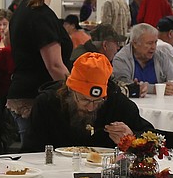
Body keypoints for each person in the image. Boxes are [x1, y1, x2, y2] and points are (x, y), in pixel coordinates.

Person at [23, 52, 154, 153]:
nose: (91, 108)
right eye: (85, 100)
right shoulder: (47, 103)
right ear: (70, 90)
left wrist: (132, 138)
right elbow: (30, 150)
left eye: (98, 101)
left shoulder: (116, 102)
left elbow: (153, 139)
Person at [7, 0, 72, 131]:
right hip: (36, 97)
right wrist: (75, 93)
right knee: (36, 154)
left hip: (22, 91)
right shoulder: (42, 16)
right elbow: (55, 66)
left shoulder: (20, 10)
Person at [112, 23, 173, 95]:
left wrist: (172, 87)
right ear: (135, 44)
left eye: (155, 42)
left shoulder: (161, 56)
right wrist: (155, 89)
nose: (153, 47)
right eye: (149, 43)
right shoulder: (121, 59)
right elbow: (123, 85)